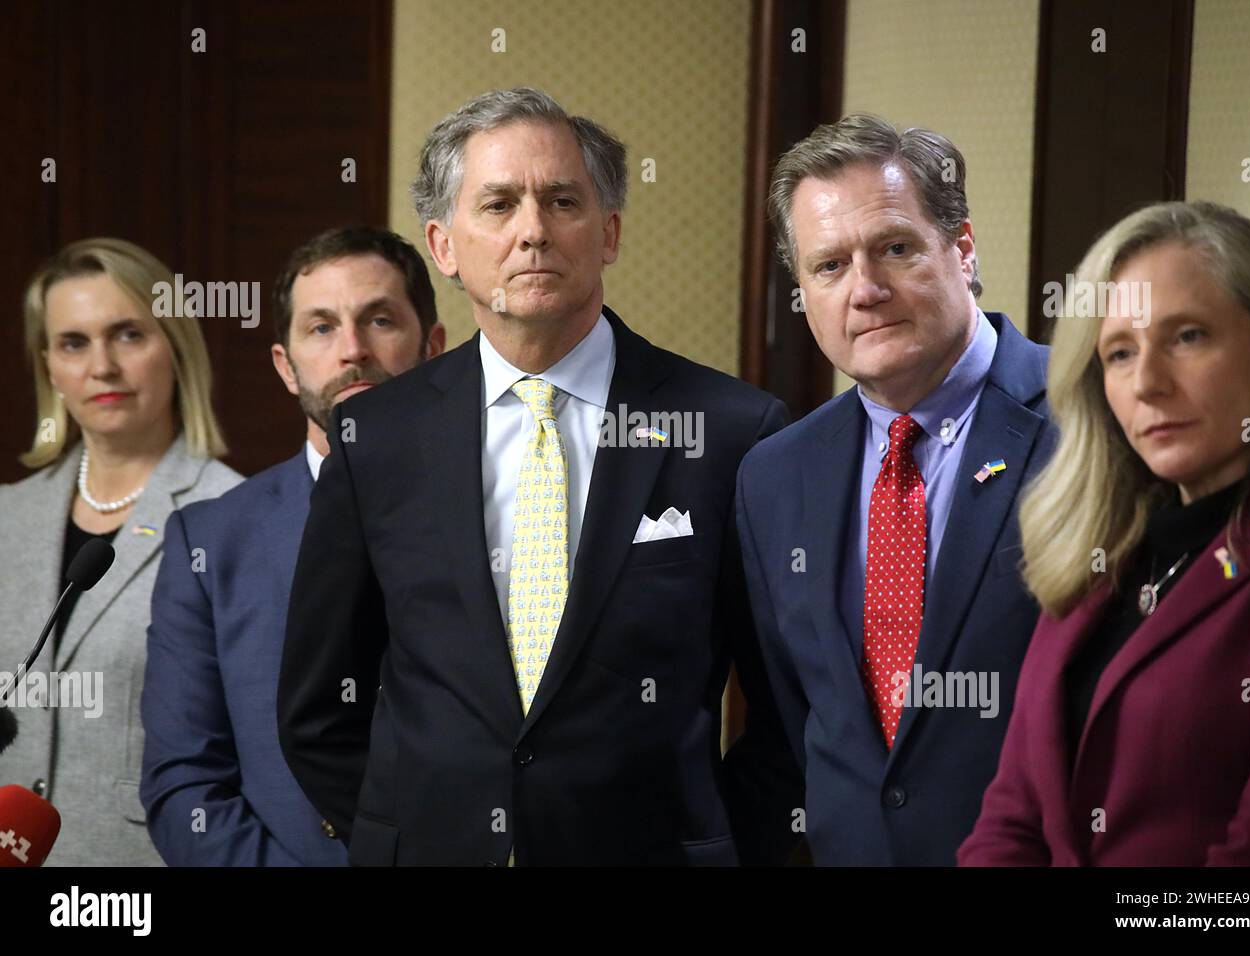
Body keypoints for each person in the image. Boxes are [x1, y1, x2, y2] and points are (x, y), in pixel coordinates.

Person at [277, 87, 801, 866]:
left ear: (609, 232)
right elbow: (319, 709)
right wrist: (406, 839)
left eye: (562, 201)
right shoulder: (375, 437)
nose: (533, 232)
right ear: (444, 246)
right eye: (498, 205)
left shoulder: (730, 429)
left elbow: (789, 710)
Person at [735, 114, 1055, 864]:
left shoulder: (1093, 424)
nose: (866, 289)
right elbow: (792, 724)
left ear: (963, 249)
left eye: (895, 249)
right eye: (829, 266)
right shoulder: (774, 475)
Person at [959, 201, 1250, 866]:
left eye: (1188, 337)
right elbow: (1010, 820)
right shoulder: (1096, 559)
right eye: (1119, 352)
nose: (1147, 383)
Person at [140, 226, 444, 865]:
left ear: (434, 348)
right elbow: (185, 785)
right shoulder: (211, 543)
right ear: (286, 366)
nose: (353, 351)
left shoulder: (509, 511)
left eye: (380, 320)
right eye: (321, 328)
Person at [0, 237, 241, 865]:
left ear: (175, 346)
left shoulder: (234, 517)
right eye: (73, 343)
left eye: (128, 334)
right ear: (48, 364)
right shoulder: (7, 517)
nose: (102, 366)